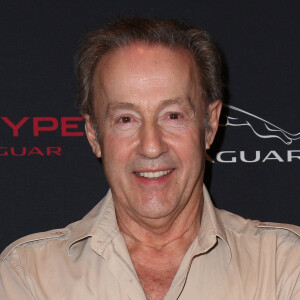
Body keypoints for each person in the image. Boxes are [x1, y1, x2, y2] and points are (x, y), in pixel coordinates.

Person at [0, 17, 299, 300]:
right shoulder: (28, 274)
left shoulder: (283, 265)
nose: (152, 146)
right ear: (94, 134)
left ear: (209, 124)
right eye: (126, 119)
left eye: (173, 115)